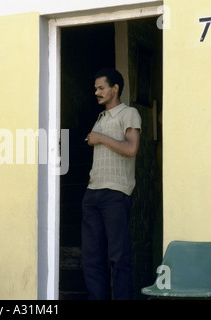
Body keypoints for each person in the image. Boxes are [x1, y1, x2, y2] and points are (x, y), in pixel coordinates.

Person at [81, 68, 141, 300]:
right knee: (92, 259)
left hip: (116, 193)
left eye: (101, 88)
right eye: (96, 88)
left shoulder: (129, 113)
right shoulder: (101, 117)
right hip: (93, 193)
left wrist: (100, 138)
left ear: (115, 88)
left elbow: (131, 148)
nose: (96, 92)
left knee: (119, 257)